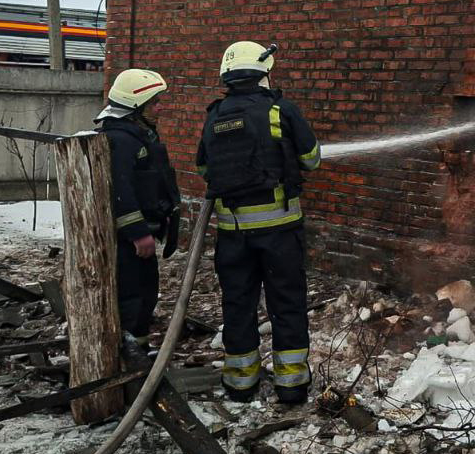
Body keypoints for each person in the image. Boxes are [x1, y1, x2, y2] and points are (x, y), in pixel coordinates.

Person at [197, 41, 321, 404]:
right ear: (264, 72)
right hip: (280, 231)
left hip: (232, 235)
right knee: (286, 303)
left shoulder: (214, 115)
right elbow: (312, 159)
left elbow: (205, 169)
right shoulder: (281, 110)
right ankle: (291, 384)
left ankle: (240, 382)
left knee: (237, 304)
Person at [95, 68, 181, 348]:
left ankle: (138, 346)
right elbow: (121, 192)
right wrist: (138, 233)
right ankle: (129, 351)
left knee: (146, 292)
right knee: (133, 295)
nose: (161, 107)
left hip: (142, 234)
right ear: (135, 106)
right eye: (154, 102)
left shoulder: (138, 135)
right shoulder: (120, 140)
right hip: (129, 241)